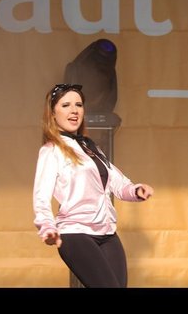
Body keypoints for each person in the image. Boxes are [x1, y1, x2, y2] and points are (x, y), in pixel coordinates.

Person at [33, 83, 154, 288]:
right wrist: (47, 226)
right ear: (53, 113)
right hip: (76, 233)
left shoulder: (90, 147)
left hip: (107, 233)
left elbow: (118, 183)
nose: (74, 110)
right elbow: (41, 196)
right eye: (66, 105)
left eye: (79, 105)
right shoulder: (52, 150)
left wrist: (136, 191)